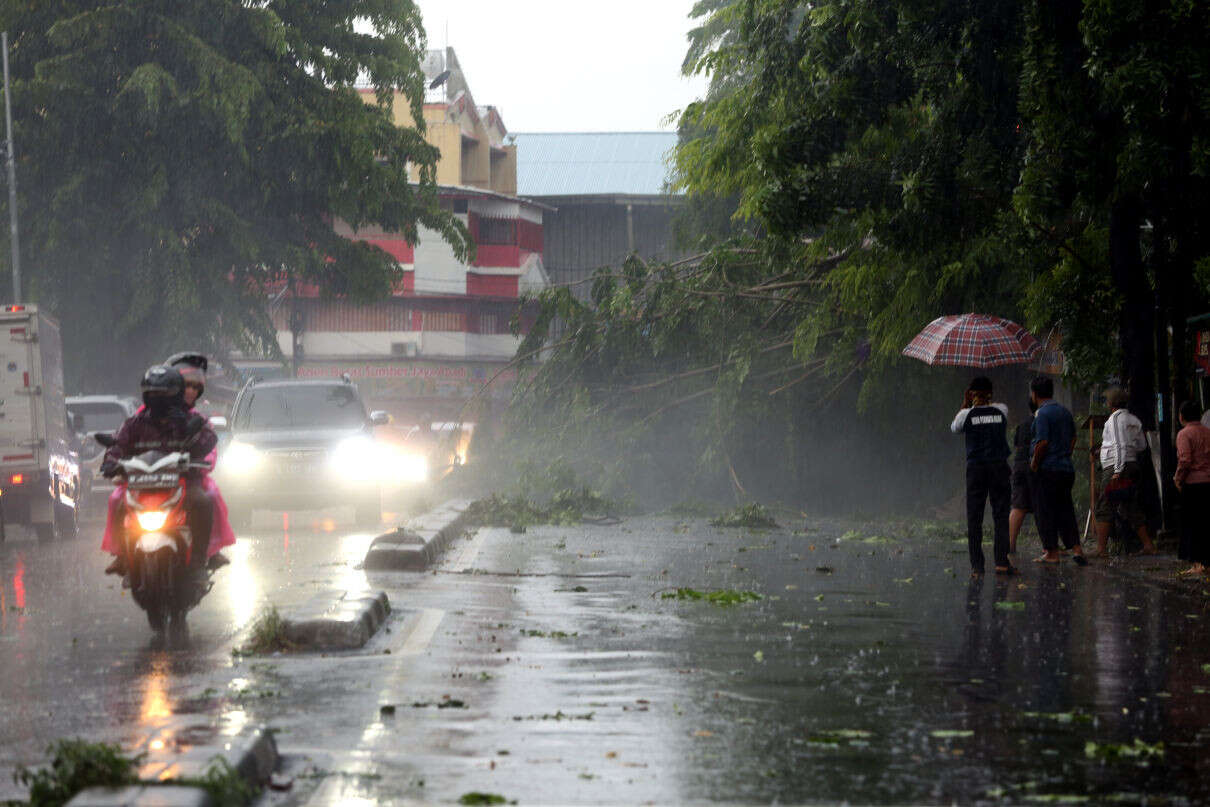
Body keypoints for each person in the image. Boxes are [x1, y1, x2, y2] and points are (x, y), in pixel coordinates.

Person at [101, 365, 217, 581]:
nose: (158, 400)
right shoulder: (135, 424)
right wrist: (110, 462)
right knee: (117, 505)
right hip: (141, 485)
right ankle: (124, 558)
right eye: (153, 395)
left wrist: (187, 429)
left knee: (203, 502)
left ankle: (199, 561)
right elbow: (118, 445)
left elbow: (208, 439)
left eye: (164, 395)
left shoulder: (188, 420)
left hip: (182, 483)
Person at [950, 376, 1014, 576]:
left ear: (971, 395)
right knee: (1001, 515)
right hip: (998, 467)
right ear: (990, 394)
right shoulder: (1001, 410)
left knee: (974, 517)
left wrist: (965, 404)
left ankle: (977, 566)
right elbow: (1001, 418)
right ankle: (1002, 562)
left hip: (976, 469)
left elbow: (954, 428)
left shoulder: (965, 415)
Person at [1092, 387, 1157, 557]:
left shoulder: (1115, 419)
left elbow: (1119, 444)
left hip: (1116, 467)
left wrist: (1117, 470)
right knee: (1130, 504)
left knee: (1104, 505)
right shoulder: (1134, 419)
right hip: (1132, 464)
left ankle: (1101, 549)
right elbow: (1142, 445)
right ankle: (1148, 545)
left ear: (1111, 403)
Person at [1029, 376, 1087, 565]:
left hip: (1048, 469)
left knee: (1045, 510)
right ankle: (1077, 549)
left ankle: (1052, 552)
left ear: (1034, 394)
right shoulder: (1064, 412)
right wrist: (1065, 454)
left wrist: (1035, 464)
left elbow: (1042, 442)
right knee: (1065, 509)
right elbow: (1073, 439)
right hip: (1065, 469)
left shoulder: (1042, 414)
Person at [1175, 400, 1210, 575]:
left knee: (1192, 524)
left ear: (1181, 417)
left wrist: (1178, 478)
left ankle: (1197, 564)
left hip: (1193, 484)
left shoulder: (1184, 434)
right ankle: (1206, 562)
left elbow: (1185, 460)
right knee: (1206, 523)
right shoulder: (1207, 432)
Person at [1008, 402, 1036, 556]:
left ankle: (1010, 545)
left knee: (1018, 506)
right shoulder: (1043, 422)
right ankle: (1051, 548)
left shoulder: (1023, 425)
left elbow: (1017, 446)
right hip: (1035, 465)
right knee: (1043, 505)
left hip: (1019, 465)